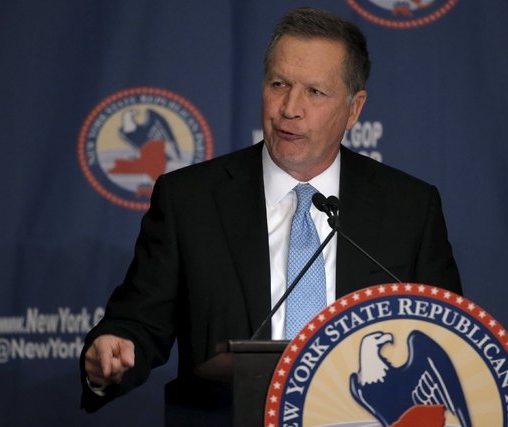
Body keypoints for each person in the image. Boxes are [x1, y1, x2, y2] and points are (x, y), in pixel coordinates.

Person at [80, 6, 462, 423]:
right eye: (279, 84)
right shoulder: (189, 200)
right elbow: (137, 325)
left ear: (354, 109)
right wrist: (111, 354)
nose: (290, 108)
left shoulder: (409, 207)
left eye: (315, 92)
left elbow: (448, 337)